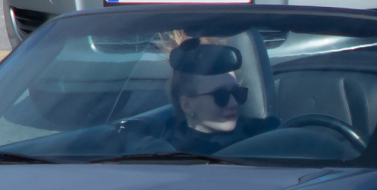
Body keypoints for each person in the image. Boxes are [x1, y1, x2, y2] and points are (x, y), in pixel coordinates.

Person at [116, 38, 280, 154]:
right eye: (220, 96)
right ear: (187, 105)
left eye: (237, 93)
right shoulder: (160, 151)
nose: (233, 103)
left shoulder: (266, 134)